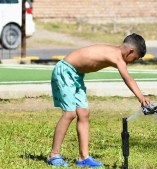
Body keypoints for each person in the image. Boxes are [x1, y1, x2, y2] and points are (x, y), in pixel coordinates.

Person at [47, 33, 151, 167]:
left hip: (77, 75)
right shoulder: (117, 56)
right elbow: (127, 78)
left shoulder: (116, 53)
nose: (133, 62)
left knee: (83, 113)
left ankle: (83, 157)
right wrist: (140, 97)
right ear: (130, 51)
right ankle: (53, 154)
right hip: (66, 71)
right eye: (134, 58)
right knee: (70, 113)